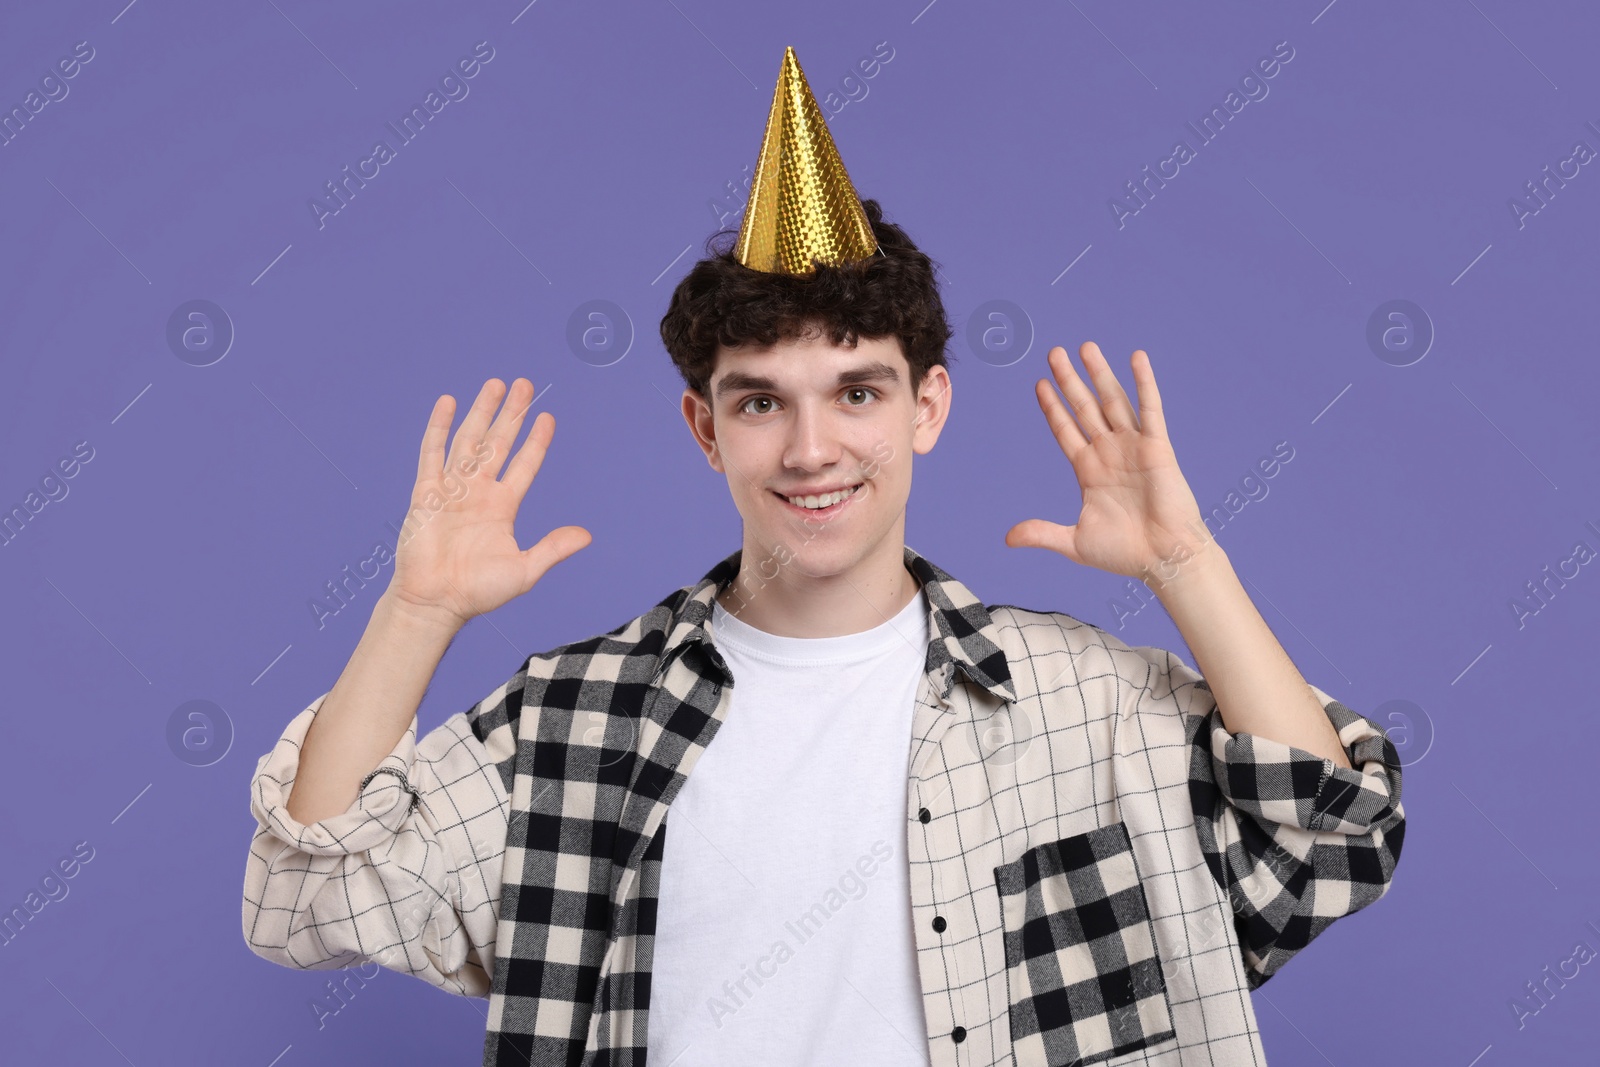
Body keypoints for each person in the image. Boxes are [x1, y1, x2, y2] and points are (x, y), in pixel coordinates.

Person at [242, 46, 1404, 1067]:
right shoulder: (576, 716)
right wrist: (416, 610)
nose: (811, 449)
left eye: (856, 391)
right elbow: (310, 894)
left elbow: (1329, 839)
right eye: (759, 403)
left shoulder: (1084, 698)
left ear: (926, 406)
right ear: (706, 429)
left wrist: (1186, 564)